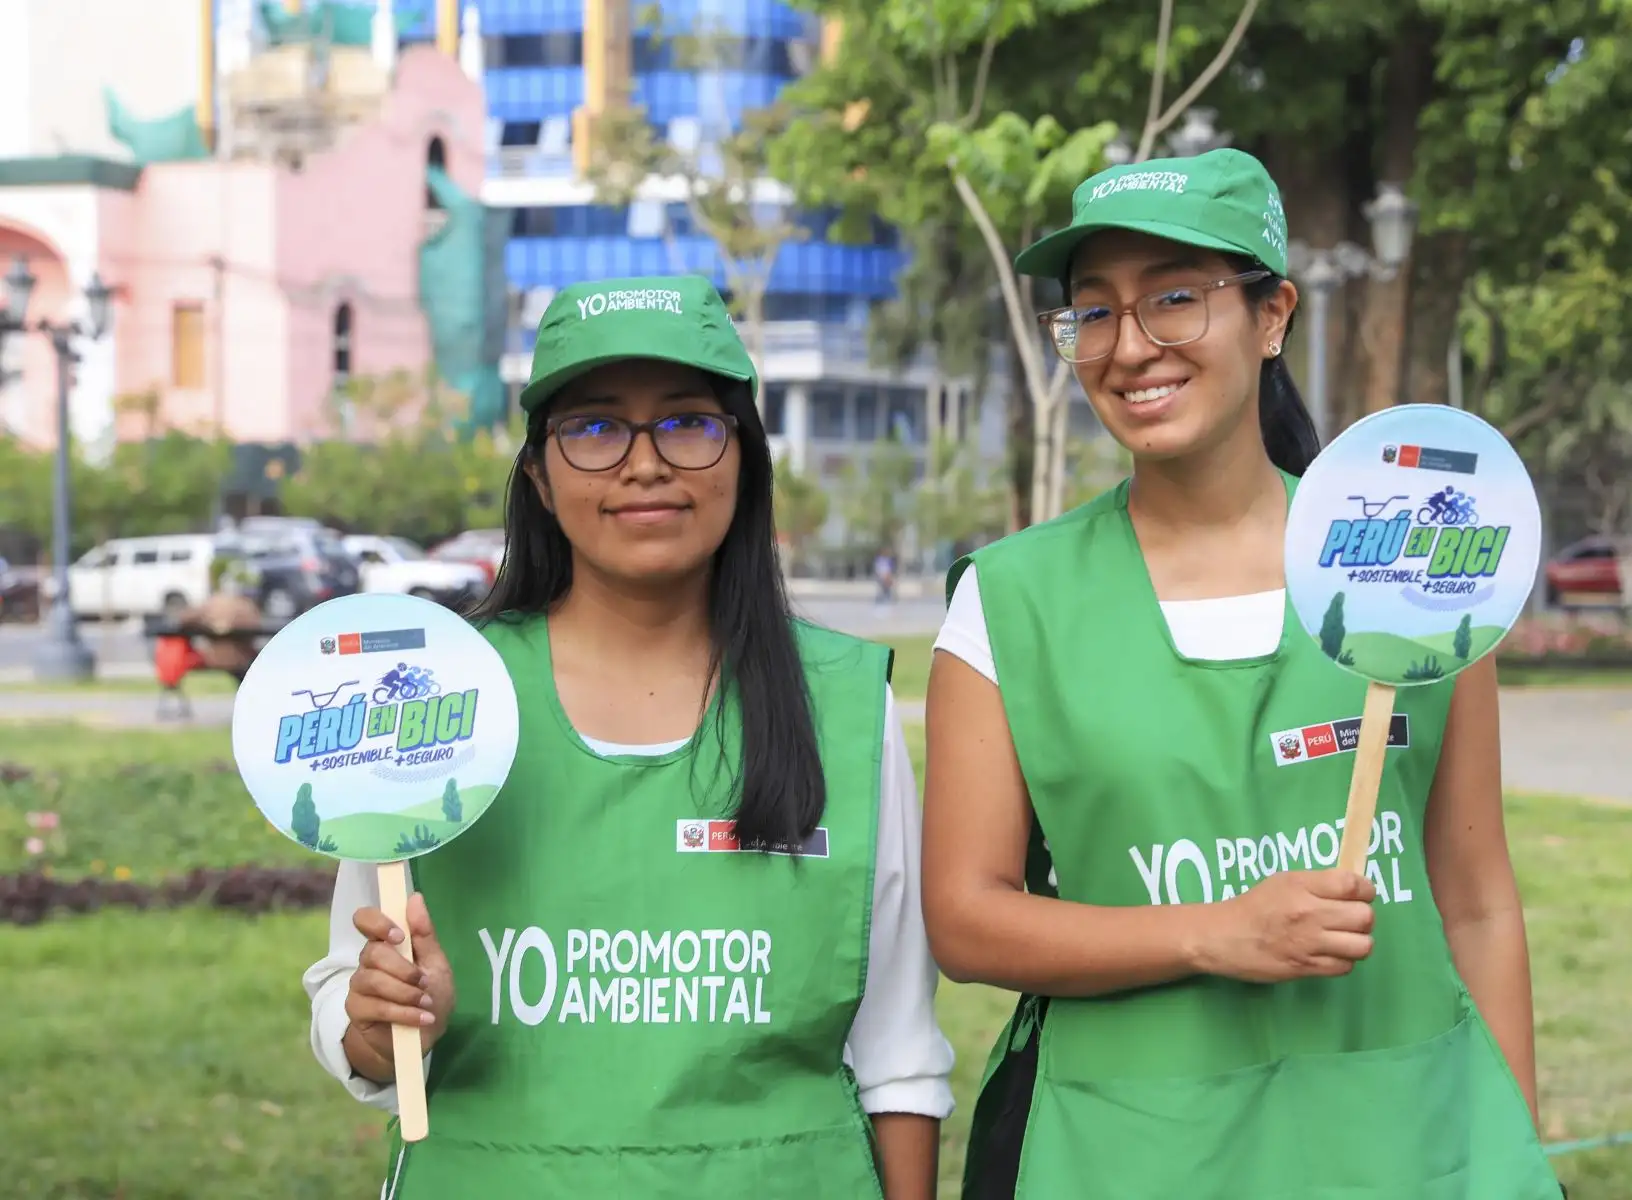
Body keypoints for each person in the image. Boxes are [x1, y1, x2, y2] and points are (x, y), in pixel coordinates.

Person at [920, 149, 1563, 1198]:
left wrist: (1510, 1157)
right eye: (1095, 312)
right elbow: (965, 918)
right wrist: (1214, 934)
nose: (1131, 347)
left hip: (1404, 1148)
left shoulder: (1409, 567)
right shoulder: (1009, 600)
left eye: (1175, 299)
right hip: (1132, 1155)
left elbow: (1479, 903)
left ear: (1273, 317)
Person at [302, 274, 954, 1198]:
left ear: (744, 455)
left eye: (687, 423)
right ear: (539, 473)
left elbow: (899, 1052)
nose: (645, 464)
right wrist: (379, 1026)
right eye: (596, 428)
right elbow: (350, 993)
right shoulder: (434, 696)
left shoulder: (842, 704)